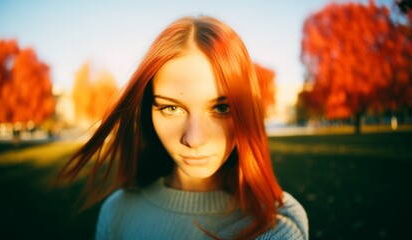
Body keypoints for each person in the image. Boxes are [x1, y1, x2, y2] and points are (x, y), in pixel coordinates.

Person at [58, 15, 308, 240]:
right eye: (171, 108)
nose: (194, 139)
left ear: (247, 111)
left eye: (221, 108)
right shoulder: (117, 212)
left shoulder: (277, 228)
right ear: (149, 110)